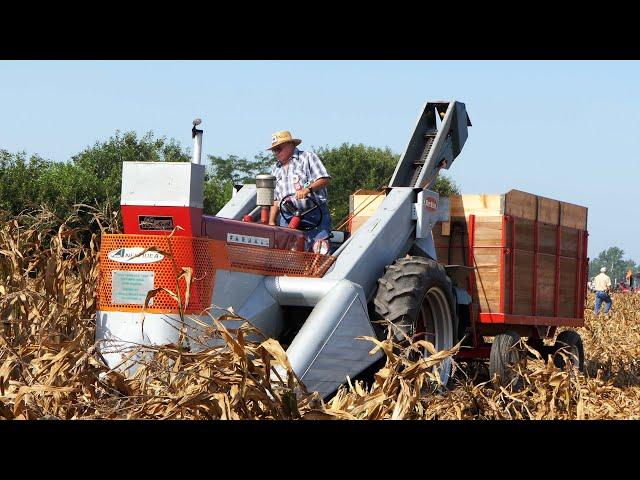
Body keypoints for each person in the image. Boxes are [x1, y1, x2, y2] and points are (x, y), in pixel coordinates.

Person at [266, 130, 332, 253]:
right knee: (286, 253)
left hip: (314, 214)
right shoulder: (275, 169)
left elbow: (324, 179)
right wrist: (271, 221)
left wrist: (307, 189)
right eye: (274, 150)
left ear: (291, 145)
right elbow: (276, 199)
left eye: (278, 148)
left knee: (319, 251)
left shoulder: (307, 157)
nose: (276, 153)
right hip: (287, 217)